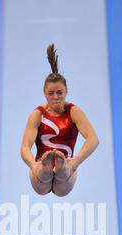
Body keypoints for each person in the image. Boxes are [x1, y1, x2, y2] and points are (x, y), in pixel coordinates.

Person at [21, 44, 99, 197]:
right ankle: (45, 166)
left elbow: (93, 139)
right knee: (43, 178)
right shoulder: (37, 115)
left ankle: (61, 164)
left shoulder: (74, 112)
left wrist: (75, 161)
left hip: (68, 165)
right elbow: (24, 147)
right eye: (51, 93)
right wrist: (33, 165)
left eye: (59, 92)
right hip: (39, 168)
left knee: (62, 176)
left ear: (66, 91)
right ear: (44, 93)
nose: (56, 97)